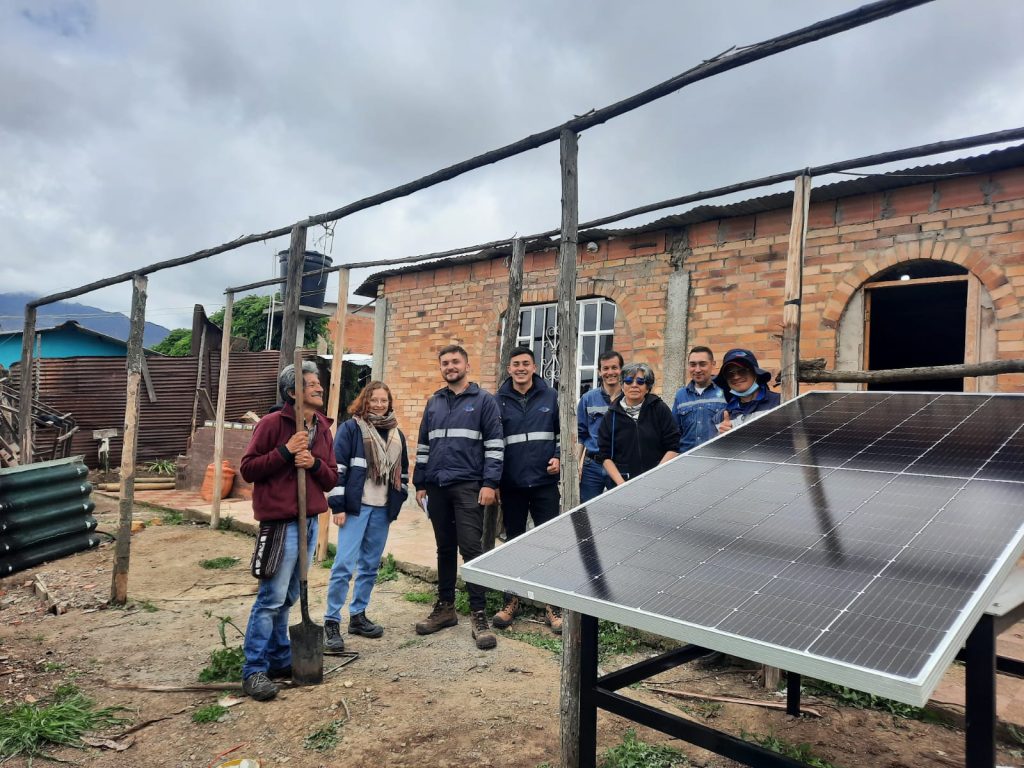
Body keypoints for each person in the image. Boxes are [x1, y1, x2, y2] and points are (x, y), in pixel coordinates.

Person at [238, 361, 338, 702]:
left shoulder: (322, 427)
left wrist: (313, 464)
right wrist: (284, 452)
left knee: (291, 596)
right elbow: (248, 470)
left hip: (309, 521)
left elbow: (332, 477)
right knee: (271, 598)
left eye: (319, 384)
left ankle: (280, 657)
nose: (319, 388)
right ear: (293, 392)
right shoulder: (271, 424)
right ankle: (253, 670)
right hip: (281, 523)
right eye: (311, 384)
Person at [413, 345, 504, 650]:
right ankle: (446, 608)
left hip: (468, 485)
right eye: (445, 363)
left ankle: (479, 614)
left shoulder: (484, 401)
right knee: (444, 548)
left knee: (471, 548)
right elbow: (424, 444)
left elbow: (494, 444)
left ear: (467, 364)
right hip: (437, 486)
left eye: (455, 361)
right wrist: (420, 483)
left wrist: (490, 483)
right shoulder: (434, 402)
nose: (450, 366)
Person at [323, 381, 409, 653]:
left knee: (370, 566)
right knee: (343, 566)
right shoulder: (351, 429)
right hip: (355, 508)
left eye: (384, 400)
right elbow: (337, 468)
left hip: (382, 510)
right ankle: (331, 621)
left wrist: (400, 496)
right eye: (374, 400)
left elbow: (403, 472)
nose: (380, 405)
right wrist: (337, 506)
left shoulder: (397, 435)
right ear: (365, 401)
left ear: (389, 403)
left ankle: (358, 616)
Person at [491, 346, 563, 634]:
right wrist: (494, 480)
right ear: (509, 369)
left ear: (535, 367)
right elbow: (493, 442)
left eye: (526, 364)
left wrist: (558, 456)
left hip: (544, 483)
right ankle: (512, 601)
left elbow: (563, 432)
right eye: (515, 364)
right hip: (512, 484)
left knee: (549, 543)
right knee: (514, 543)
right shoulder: (498, 401)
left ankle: (552, 605)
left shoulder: (552, 397)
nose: (520, 368)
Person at [596, 362, 680, 486]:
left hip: (658, 481)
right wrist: (621, 484)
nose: (634, 385)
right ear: (622, 386)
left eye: (640, 381)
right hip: (623, 482)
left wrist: (655, 475)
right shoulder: (611, 415)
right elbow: (604, 455)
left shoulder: (659, 409)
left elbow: (673, 446)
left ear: (647, 388)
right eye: (629, 381)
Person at [576, 350, 623, 502]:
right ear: (599, 372)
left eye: (614, 368)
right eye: (605, 368)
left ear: (621, 370)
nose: (610, 372)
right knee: (586, 513)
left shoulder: (629, 398)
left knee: (622, 509)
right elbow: (580, 435)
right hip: (592, 467)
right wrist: (577, 465)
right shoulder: (588, 399)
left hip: (620, 465)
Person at [673, 346, 727, 452]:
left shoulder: (725, 392)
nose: (697, 370)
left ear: (713, 364)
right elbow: (674, 432)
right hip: (686, 459)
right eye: (693, 365)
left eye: (702, 364)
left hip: (716, 456)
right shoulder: (681, 395)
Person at [713, 348, 782, 430]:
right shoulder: (720, 418)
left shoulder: (780, 403)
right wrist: (722, 438)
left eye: (742, 371)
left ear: (755, 373)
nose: (736, 377)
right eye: (730, 374)